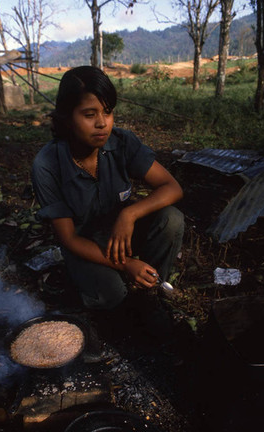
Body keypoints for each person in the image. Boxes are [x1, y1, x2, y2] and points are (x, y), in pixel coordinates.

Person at [32, 65, 184, 317]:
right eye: (89, 114)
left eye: (108, 112)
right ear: (67, 118)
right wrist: (126, 264)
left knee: (171, 218)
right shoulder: (47, 164)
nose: (102, 123)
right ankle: (101, 287)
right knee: (111, 295)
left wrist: (129, 215)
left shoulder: (122, 143)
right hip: (85, 245)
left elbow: (172, 187)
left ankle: (152, 286)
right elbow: (68, 238)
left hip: (121, 234)